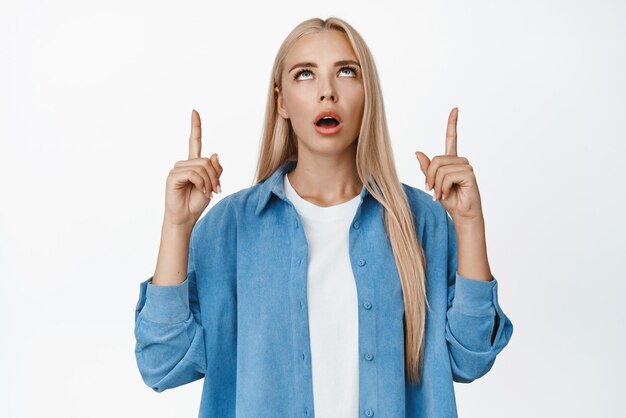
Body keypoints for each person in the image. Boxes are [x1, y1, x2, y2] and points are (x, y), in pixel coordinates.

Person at [134, 16, 513, 418]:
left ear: (367, 94)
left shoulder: (420, 222)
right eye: (305, 74)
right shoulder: (231, 228)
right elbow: (162, 364)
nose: (327, 92)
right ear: (281, 102)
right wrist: (176, 227)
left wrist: (469, 223)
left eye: (346, 72)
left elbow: (471, 358)